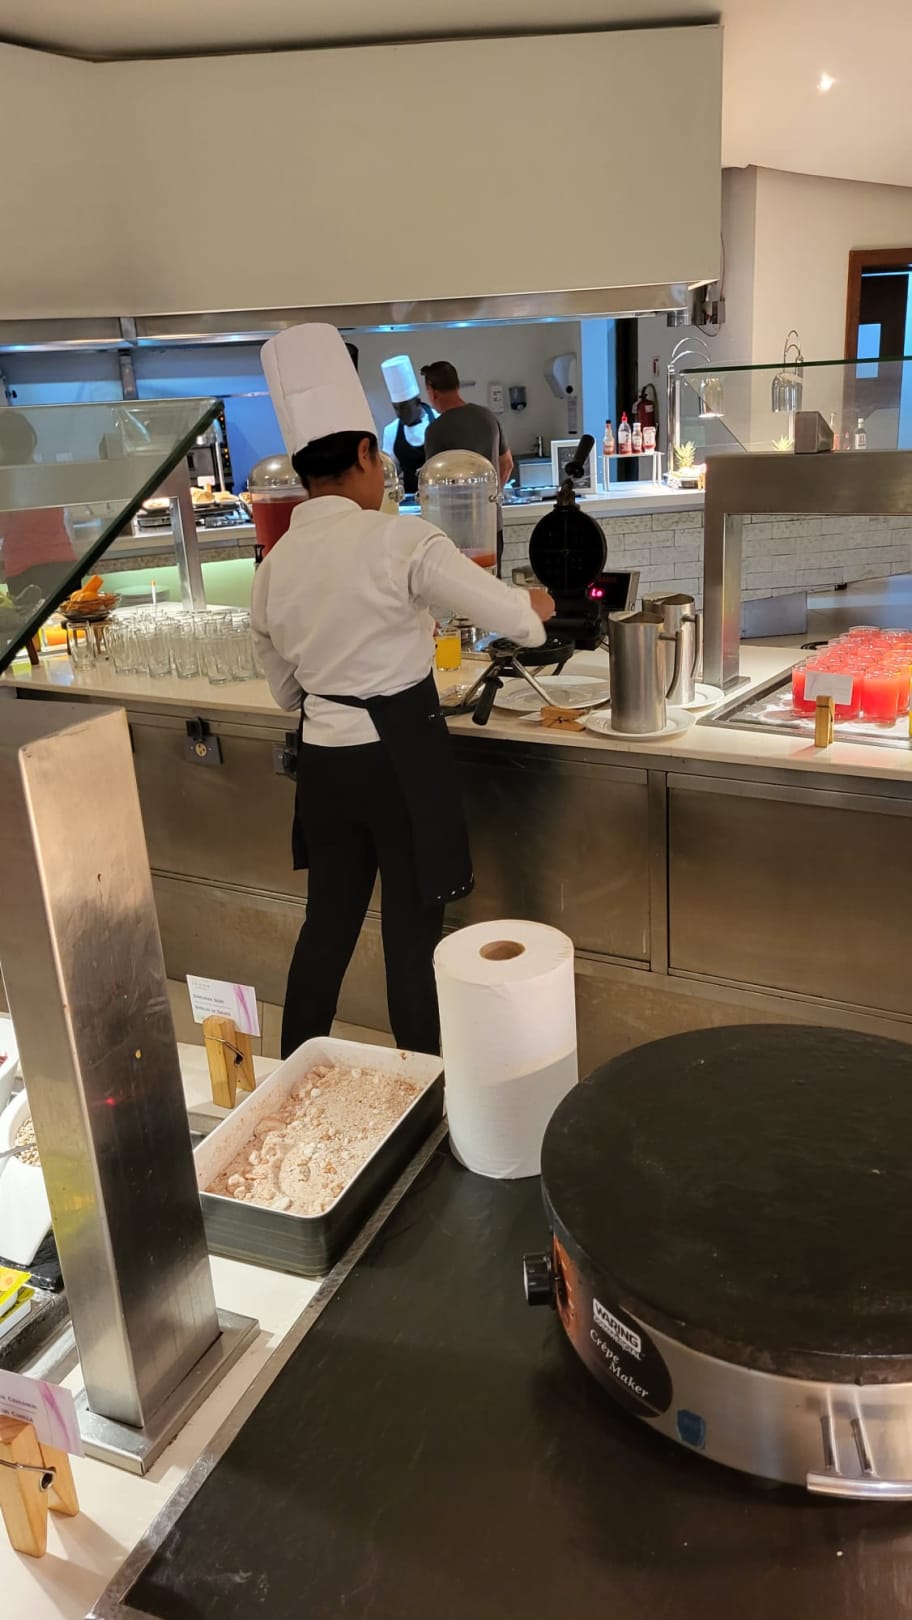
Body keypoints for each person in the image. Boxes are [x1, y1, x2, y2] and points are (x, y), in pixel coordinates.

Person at [250, 324, 554, 1060]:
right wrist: (539, 607)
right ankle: (424, 1092)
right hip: (398, 764)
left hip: (325, 768)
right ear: (365, 455)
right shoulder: (400, 540)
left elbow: (287, 692)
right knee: (411, 940)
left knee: (327, 928)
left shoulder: (274, 564)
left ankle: (293, 1080)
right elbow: (518, 621)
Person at [420, 360, 514, 574]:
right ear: (457, 385)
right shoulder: (488, 417)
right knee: (492, 586)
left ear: (432, 391)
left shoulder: (436, 430)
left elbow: (433, 485)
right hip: (491, 529)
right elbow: (507, 464)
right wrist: (489, 499)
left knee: (459, 590)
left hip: (456, 535)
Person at [380, 355, 435, 496]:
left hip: (439, 498)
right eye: (396, 408)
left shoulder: (439, 422)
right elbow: (390, 472)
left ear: (417, 402)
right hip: (410, 501)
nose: (399, 414)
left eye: (404, 407)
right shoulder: (391, 431)